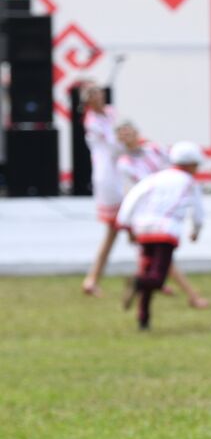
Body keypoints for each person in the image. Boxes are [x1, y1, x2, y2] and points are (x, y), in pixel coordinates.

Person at [111, 122, 210, 309]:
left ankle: (144, 319)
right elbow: (198, 211)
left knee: (148, 268)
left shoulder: (155, 162)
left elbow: (134, 195)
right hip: (165, 229)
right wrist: (196, 229)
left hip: (144, 224)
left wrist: (125, 223)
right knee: (157, 277)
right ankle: (138, 283)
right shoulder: (188, 182)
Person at [80, 82, 122, 296]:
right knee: (123, 228)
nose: (100, 97)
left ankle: (93, 279)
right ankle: (153, 274)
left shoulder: (109, 114)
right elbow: (114, 144)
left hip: (117, 174)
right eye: (94, 95)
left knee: (116, 232)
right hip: (107, 177)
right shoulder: (93, 121)